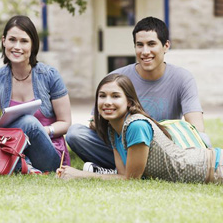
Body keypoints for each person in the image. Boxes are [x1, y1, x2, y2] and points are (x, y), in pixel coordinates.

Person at [66, 16, 210, 170]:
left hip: (164, 151)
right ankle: (129, 168)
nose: (145, 51)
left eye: (151, 44)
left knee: (203, 139)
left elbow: (196, 127)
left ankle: (121, 171)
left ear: (166, 45)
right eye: (139, 45)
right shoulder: (117, 77)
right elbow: (96, 121)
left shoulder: (182, 78)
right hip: (124, 147)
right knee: (75, 134)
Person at [57, 74, 222, 183]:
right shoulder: (113, 130)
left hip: (214, 167)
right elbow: (122, 175)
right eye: (102, 96)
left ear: (129, 101)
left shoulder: (137, 125)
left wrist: (81, 175)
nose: (107, 102)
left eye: (115, 96)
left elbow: (131, 179)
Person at [0, 15, 72, 173]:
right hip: (11, 145)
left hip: (48, 153)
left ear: (33, 45)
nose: (17, 46)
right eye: (12, 39)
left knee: (29, 122)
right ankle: (21, 166)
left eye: (24, 41)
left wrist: (40, 130)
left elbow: (65, 122)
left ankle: (18, 165)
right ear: (4, 41)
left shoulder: (50, 75)